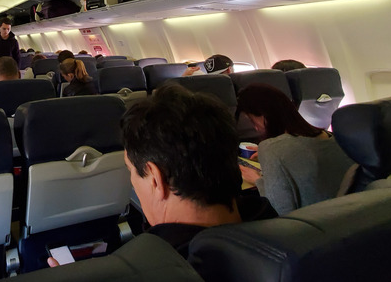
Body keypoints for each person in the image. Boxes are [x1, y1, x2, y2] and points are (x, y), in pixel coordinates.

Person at [48, 85, 275, 267]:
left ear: (156, 179)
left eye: (132, 171)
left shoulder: (141, 269)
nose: (132, 182)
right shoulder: (287, 230)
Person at [236, 83, 355, 215]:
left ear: (265, 116)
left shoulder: (272, 148)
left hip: (312, 226)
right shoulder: (333, 137)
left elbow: (280, 211)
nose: (256, 128)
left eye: (253, 121)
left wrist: (257, 180)